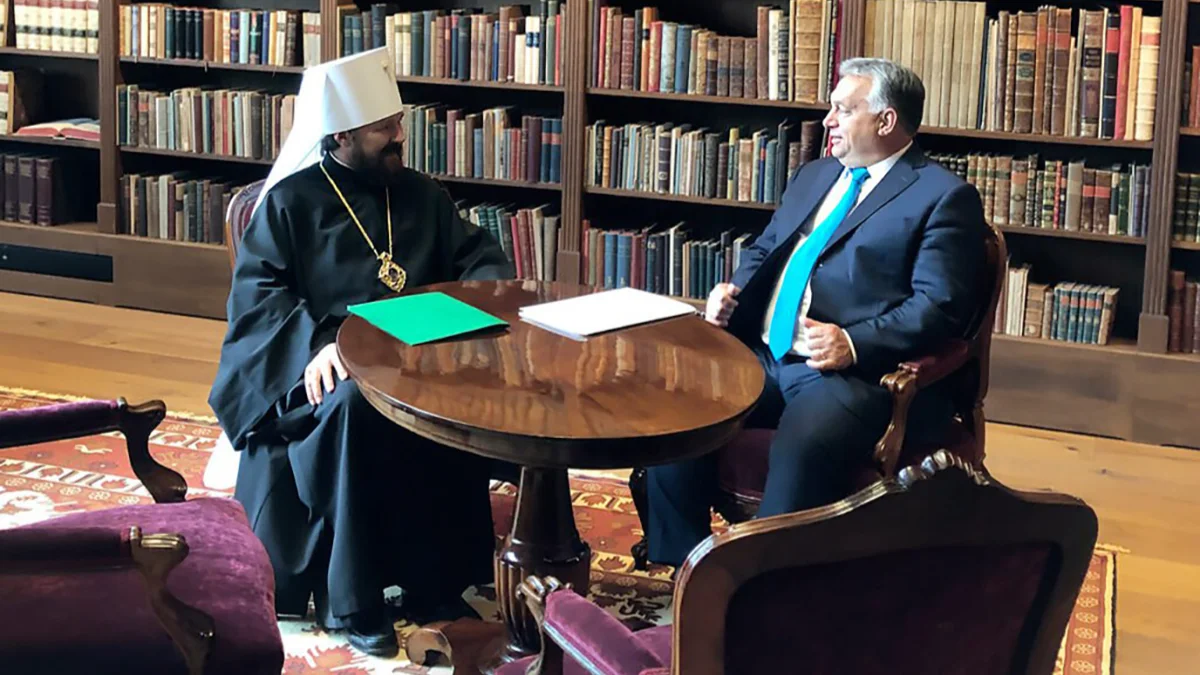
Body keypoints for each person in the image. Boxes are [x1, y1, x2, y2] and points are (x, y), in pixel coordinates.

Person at [208, 48, 513, 658]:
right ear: (342, 135)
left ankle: (435, 584)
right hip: (324, 379)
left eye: (398, 122)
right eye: (384, 129)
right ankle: (355, 600)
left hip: (419, 363)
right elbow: (259, 300)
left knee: (446, 400)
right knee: (355, 407)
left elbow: (480, 260)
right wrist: (317, 347)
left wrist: (470, 302)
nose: (399, 137)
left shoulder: (421, 195)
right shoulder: (290, 204)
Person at [645, 58, 989, 567]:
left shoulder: (942, 197)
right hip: (766, 355)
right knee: (680, 408)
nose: (828, 121)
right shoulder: (815, 175)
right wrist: (731, 292)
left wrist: (854, 343)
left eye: (843, 110)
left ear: (885, 121)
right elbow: (766, 250)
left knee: (803, 444)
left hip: (851, 375)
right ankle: (683, 569)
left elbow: (939, 307)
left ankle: (762, 583)